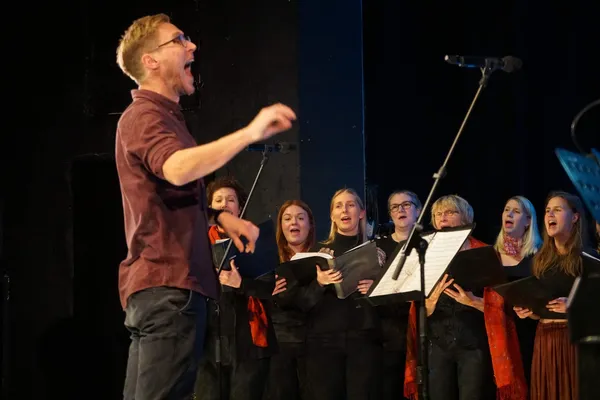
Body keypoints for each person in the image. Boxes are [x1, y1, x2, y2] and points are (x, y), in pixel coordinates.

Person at [114, 13, 296, 400]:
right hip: (168, 288)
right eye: (179, 40)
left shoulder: (164, 117)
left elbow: (167, 192)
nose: (192, 46)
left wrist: (220, 217)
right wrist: (249, 134)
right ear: (150, 60)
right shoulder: (145, 116)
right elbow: (177, 169)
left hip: (164, 289)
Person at [404, 194, 496, 400]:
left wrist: (473, 302)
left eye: (450, 212)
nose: (442, 217)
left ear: (465, 218)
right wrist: (429, 303)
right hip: (437, 344)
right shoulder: (425, 254)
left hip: (473, 344)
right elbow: (417, 313)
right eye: (438, 214)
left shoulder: (482, 252)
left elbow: (500, 307)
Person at [195, 176, 277, 400]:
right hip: (208, 342)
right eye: (218, 200)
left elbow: (270, 289)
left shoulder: (254, 240)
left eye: (231, 200)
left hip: (248, 344)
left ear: (240, 208)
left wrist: (240, 284)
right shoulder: (197, 243)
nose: (224, 204)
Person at [303, 188, 383, 400]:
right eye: (338, 206)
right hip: (325, 340)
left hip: (363, 338)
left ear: (361, 213)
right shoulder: (318, 252)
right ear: (332, 215)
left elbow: (392, 301)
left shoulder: (376, 251)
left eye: (351, 205)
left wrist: (375, 288)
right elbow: (304, 302)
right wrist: (320, 283)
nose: (344, 210)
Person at [513, 191, 590, 400]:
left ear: (575, 217)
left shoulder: (587, 258)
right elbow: (539, 307)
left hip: (573, 339)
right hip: (545, 339)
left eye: (557, 209)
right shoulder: (539, 260)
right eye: (547, 210)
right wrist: (528, 311)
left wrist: (574, 305)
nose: (550, 215)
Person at [263, 200, 317, 400]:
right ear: (281, 226)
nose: (294, 222)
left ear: (310, 225)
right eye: (287, 218)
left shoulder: (322, 258)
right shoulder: (268, 260)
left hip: (315, 346)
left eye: (300, 218)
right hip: (280, 346)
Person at [374, 190, 422, 399]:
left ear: (419, 210)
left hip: (421, 327)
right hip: (388, 333)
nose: (400, 210)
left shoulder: (427, 244)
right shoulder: (378, 247)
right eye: (395, 207)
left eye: (406, 205)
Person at [491, 196, 542, 387]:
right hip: (499, 333)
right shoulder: (491, 256)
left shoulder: (539, 256)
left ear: (528, 221)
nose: (509, 214)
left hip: (529, 332)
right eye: (507, 210)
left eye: (516, 211)